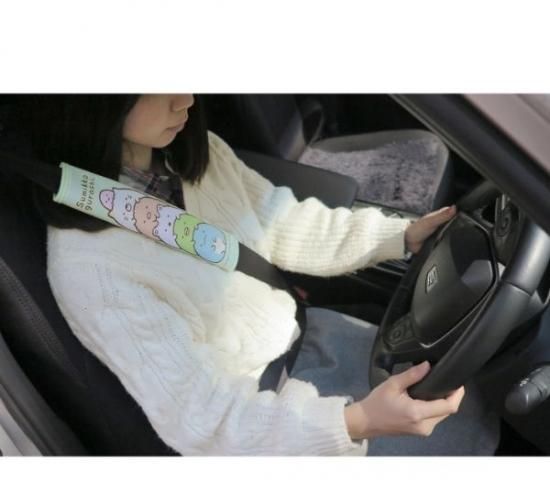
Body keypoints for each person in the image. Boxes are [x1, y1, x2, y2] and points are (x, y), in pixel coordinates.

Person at [23, 94, 500, 456]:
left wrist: (399, 235)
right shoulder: (94, 272)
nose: (186, 99)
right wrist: (356, 422)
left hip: (312, 337)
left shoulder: (190, 156)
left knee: (478, 404)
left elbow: (280, 221)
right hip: (271, 424)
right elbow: (204, 416)